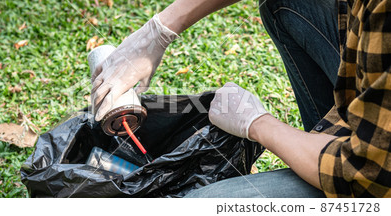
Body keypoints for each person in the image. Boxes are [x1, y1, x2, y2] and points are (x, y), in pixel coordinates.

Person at [91, 0, 391, 197]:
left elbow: (364, 174)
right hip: (374, 126)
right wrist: (159, 30)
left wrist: (258, 124)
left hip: (371, 182)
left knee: (198, 204)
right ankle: (315, 149)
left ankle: (315, 163)